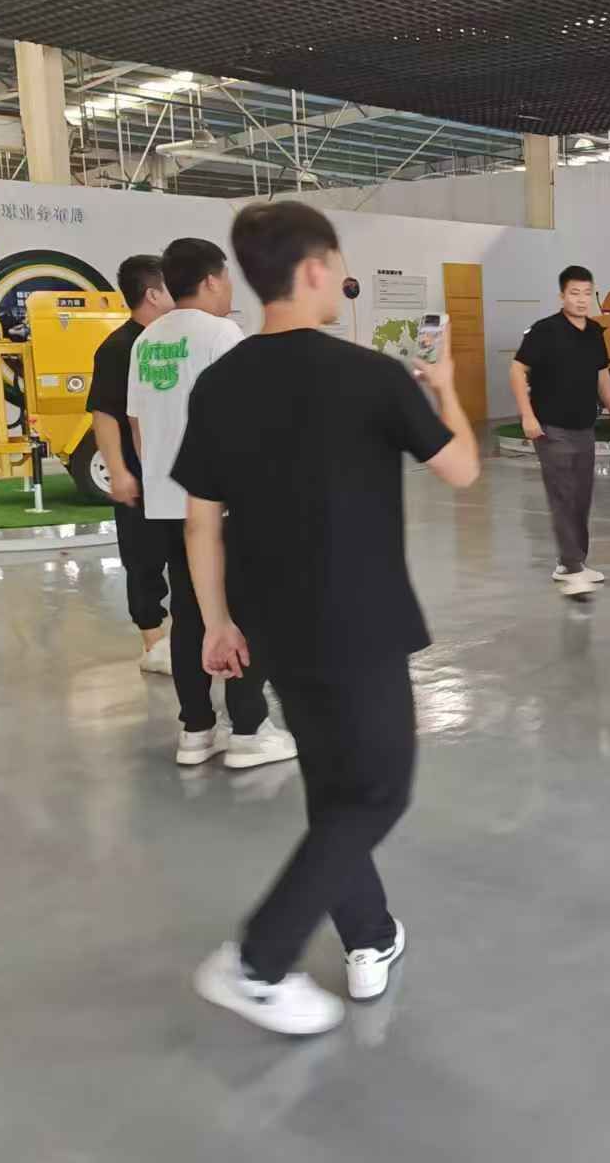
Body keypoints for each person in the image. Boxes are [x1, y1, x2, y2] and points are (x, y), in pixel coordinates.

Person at [175, 201, 479, 1036]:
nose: (341, 280)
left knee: (332, 786)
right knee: (377, 791)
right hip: (360, 620)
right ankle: (257, 959)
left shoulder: (220, 382)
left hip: (272, 622)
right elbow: (461, 467)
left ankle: (368, 934)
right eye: (339, 267)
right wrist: (446, 389)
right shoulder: (371, 374)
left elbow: (201, 522)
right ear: (314, 269)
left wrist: (216, 622)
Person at [128, 237, 293, 770]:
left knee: (190, 615)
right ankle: (248, 728)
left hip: (166, 498)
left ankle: (196, 728)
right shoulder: (222, 334)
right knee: (244, 611)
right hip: (222, 502)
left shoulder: (146, 339)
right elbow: (250, 419)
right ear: (211, 280)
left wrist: (161, 476)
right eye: (225, 279)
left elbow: (137, 424)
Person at [511, 265, 610, 599]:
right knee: (562, 496)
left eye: (587, 293)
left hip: (584, 428)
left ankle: (570, 563)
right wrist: (527, 416)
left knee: (581, 498)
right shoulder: (544, 331)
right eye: (574, 293)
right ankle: (574, 569)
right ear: (562, 295)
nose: (581, 299)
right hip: (551, 428)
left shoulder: (594, 332)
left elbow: (602, 376)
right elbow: (517, 370)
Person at [87, 254, 175, 674]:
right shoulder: (119, 347)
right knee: (143, 558)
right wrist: (119, 472)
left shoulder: (171, 342)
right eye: (171, 286)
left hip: (173, 472)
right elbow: (104, 415)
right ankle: (153, 644)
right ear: (153, 295)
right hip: (137, 475)